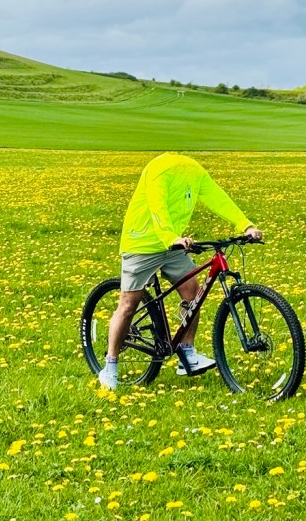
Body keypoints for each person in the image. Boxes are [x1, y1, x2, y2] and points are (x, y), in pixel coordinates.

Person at [99, 152, 262, 390]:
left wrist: (245, 224)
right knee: (128, 305)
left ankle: (187, 354)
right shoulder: (158, 172)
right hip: (142, 244)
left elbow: (218, 198)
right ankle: (110, 366)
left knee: (193, 292)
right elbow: (157, 206)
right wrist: (170, 237)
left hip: (172, 244)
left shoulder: (194, 172)